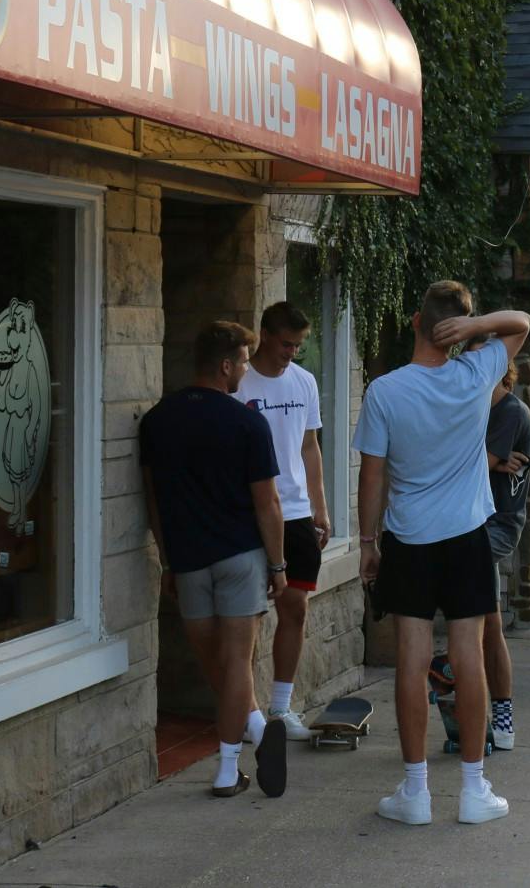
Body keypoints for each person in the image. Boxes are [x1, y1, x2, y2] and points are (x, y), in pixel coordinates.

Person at [355, 282, 529, 828]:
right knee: (468, 656)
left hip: (409, 540)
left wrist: (367, 544)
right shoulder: (475, 374)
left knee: (411, 660)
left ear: (415, 321)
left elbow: (372, 477)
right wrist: (477, 328)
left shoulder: (385, 391)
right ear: (455, 331)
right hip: (467, 536)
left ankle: (416, 792)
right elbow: (521, 321)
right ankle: (474, 789)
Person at [141, 321, 288, 798]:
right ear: (225, 366)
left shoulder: (157, 421)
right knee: (236, 665)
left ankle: (258, 729)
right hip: (240, 557)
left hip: (188, 560)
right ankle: (227, 768)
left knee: (219, 666)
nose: (246, 370)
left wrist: (168, 560)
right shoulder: (247, 423)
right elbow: (268, 503)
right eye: (244, 361)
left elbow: (154, 501)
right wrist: (278, 565)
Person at [232, 301, 326, 744]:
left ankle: (281, 708)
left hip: (296, 512)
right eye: (286, 344)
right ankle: (244, 713)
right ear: (265, 335)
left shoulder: (305, 381)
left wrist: (320, 507)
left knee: (296, 608)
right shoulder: (239, 383)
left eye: (298, 345)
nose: (292, 352)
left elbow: (309, 447)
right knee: (245, 617)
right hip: (249, 514)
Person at [483, 361, 530, 753]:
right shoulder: (471, 408)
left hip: (495, 527)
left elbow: (468, 466)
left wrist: (494, 462)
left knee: (486, 626)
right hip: (464, 523)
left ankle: (502, 714)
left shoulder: (510, 412)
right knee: (481, 625)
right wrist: (496, 462)